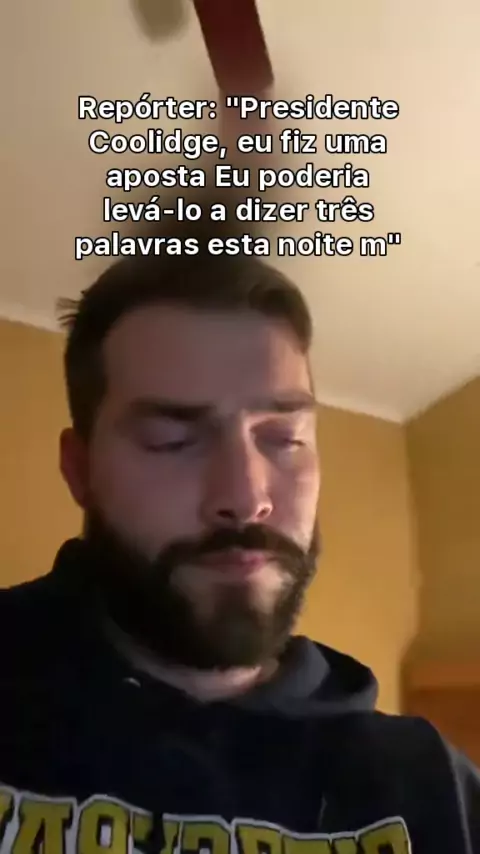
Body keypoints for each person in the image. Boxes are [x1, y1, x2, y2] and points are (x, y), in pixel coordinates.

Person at [0, 249, 478, 854]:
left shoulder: (431, 785)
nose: (247, 498)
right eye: (172, 440)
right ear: (80, 470)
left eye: (283, 438)